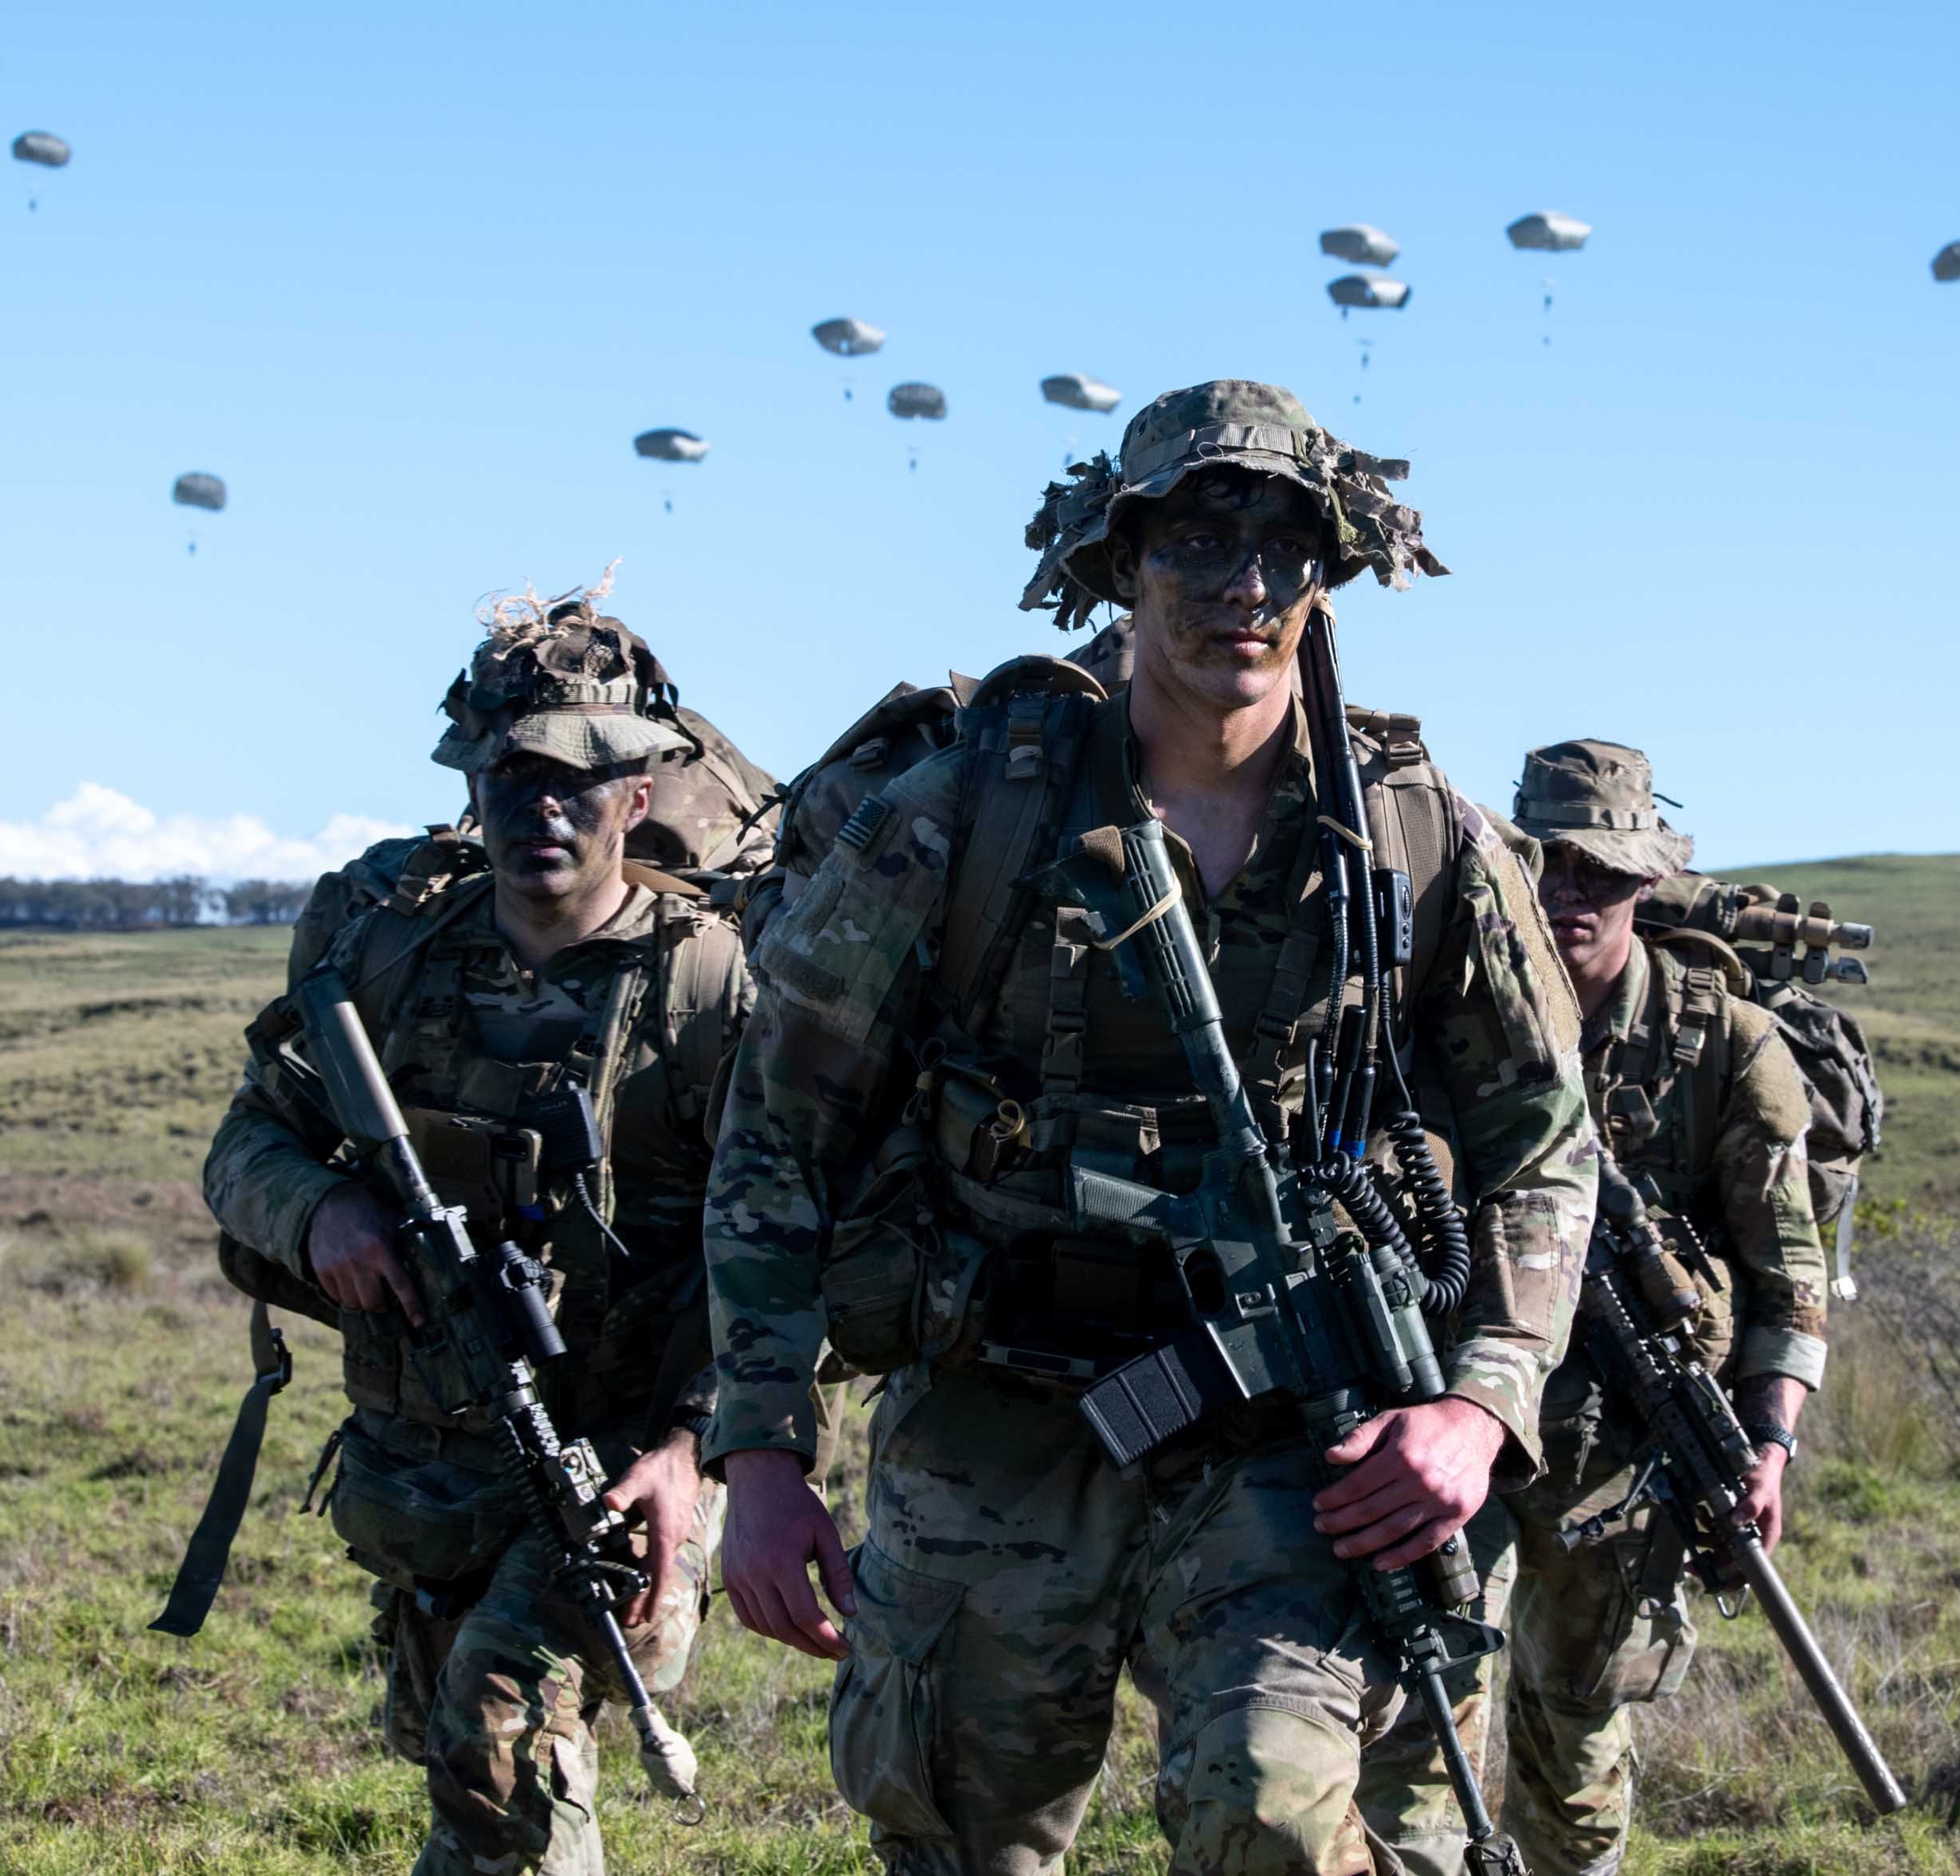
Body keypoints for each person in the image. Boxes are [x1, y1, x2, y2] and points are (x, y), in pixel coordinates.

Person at [706, 380, 1596, 1874]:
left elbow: (1544, 1141)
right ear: (1123, 563)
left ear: (1331, 572)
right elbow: (778, 1131)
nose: (1241, 584)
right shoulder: (968, 812)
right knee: (957, 1841)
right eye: (1196, 538)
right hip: (997, 1396)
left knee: (1275, 1820)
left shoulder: (1417, 836)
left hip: (1288, 1428)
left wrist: (1482, 1401)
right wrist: (764, 1450)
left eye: (1283, 544)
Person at [199, 586, 753, 1876]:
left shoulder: (706, 983)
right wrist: (322, 1207)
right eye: (510, 777)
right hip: (439, 1452)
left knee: (497, 1731)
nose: (539, 810)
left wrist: (692, 1444)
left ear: (636, 795)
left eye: (574, 781)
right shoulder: (398, 957)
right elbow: (245, 1148)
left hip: (623, 1461)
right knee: (487, 1766)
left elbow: (791, 1241)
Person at [1391, 740, 1831, 1875]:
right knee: (1415, 1725)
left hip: (1621, 1458)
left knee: (1575, 1744)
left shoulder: (1725, 1049)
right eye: (1549, 863)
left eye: (1603, 873)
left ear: (1646, 886)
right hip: (1460, 1417)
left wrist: (1769, 1444)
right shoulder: (1443, 1012)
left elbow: (1788, 1282)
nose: (1570, 894)